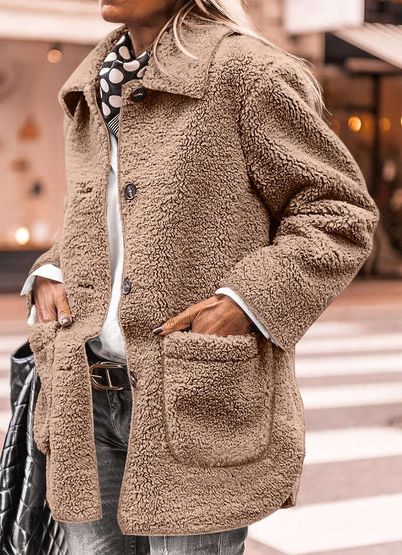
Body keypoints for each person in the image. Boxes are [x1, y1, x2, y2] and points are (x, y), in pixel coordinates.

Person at [20, 0, 380, 553]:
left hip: (191, 395)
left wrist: (244, 302)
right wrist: (50, 268)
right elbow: (104, 216)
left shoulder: (248, 73)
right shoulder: (94, 81)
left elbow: (338, 212)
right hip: (82, 396)